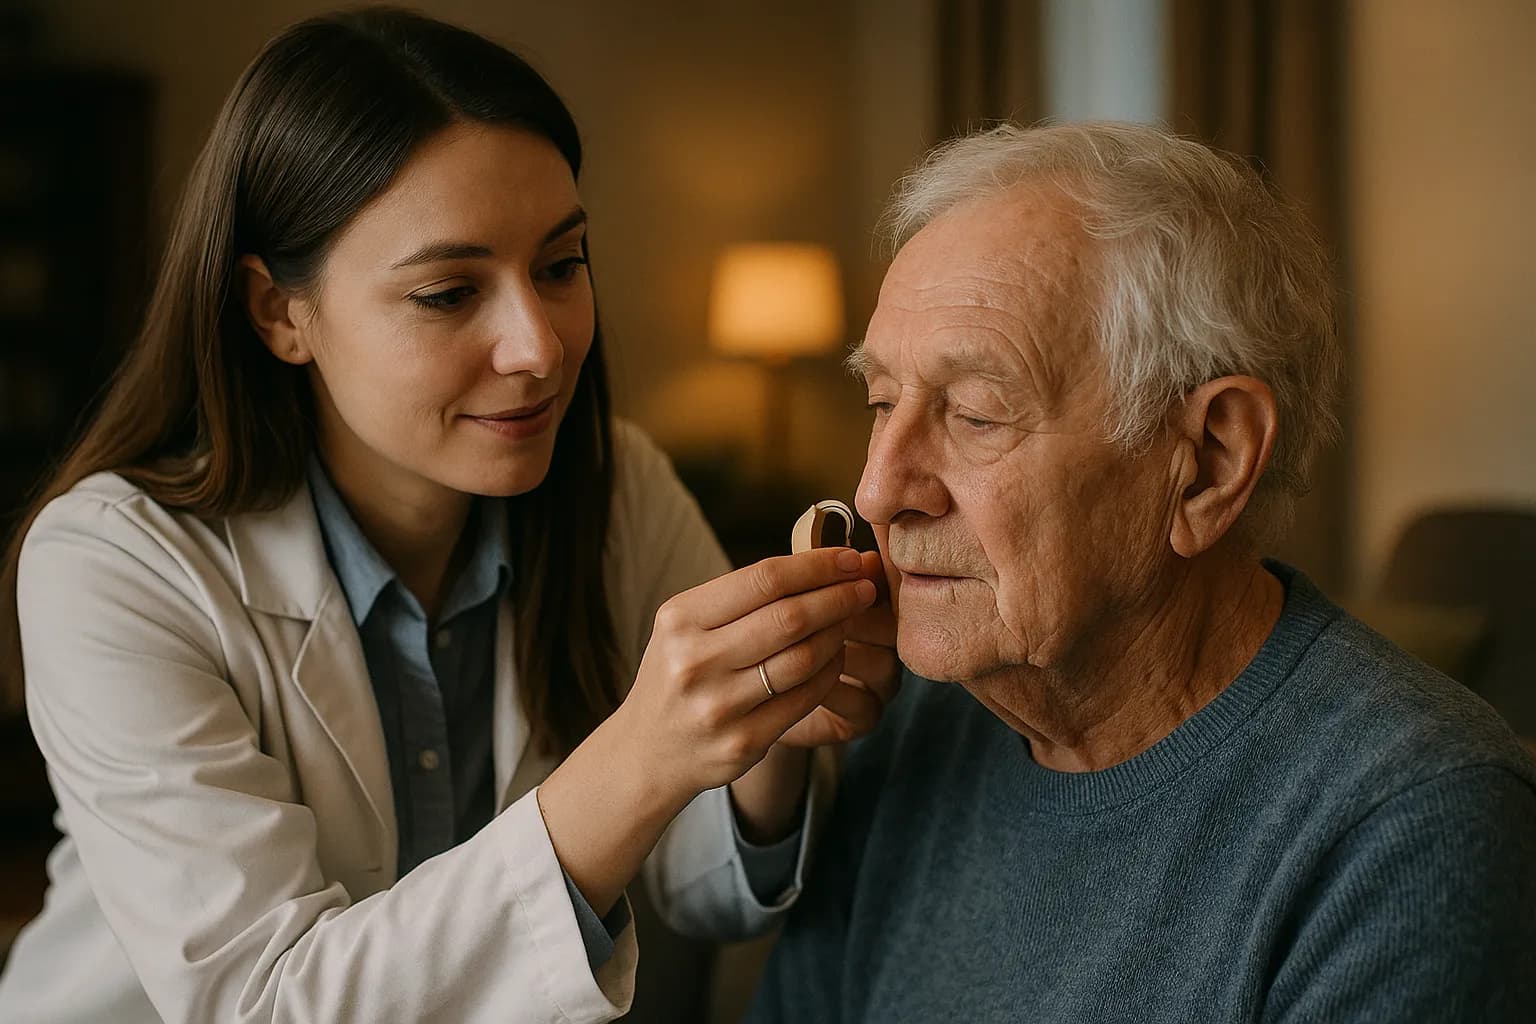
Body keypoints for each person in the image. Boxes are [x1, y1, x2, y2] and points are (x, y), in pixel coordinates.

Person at [0, 9, 897, 1022]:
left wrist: (773, 732)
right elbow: (265, 1004)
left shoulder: (618, 491)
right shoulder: (112, 564)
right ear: (279, 313)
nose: (539, 348)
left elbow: (701, 887)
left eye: (560, 266)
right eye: (447, 293)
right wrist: (641, 754)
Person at [747, 121, 1536, 1022]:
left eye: (975, 414)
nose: (879, 490)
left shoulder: (1414, 825)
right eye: (882, 402)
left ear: (1208, 463)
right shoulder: (919, 718)